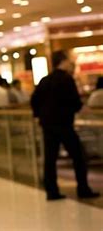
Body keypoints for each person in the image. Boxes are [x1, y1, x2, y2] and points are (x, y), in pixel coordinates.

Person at [31, 50, 99, 201]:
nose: (71, 63)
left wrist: (39, 116)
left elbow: (34, 100)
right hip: (63, 124)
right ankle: (83, 187)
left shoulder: (45, 80)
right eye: (69, 60)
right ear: (63, 61)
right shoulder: (66, 79)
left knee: (50, 158)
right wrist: (81, 109)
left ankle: (51, 190)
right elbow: (74, 102)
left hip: (48, 125)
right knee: (79, 156)